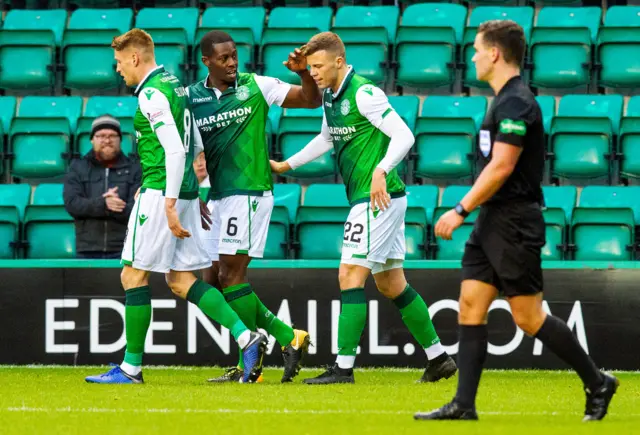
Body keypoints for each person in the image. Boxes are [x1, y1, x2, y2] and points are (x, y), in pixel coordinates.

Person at [414, 20, 618, 421]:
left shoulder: (516, 102)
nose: (471, 56)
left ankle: (597, 381)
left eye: (476, 49)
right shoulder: (501, 100)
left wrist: (459, 210)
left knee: (528, 317)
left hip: (515, 222)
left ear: (494, 53)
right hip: (493, 219)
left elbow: (503, 165)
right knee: (470, 305)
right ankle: (463, 405)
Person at [270, 32, 457, 385]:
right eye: (310, 68)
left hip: (376, 200)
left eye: (319, 67)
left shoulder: (365, 93)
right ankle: (439, 359)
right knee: (391, 284)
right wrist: (287, 166)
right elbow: (327, 138)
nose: (313, 74)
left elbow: (405, 136)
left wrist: (380, 170)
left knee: (349, 276)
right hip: (379, 200)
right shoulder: (330, 95)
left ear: (339, 61)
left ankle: (342, 368)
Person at [85, 29, 267, 385]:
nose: (119, 70)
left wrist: (168, 202)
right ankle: (248, 338)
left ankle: (131, 370)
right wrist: (190, 193)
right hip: (183, 192)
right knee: (181, 280)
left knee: (132, 275)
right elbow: (195, 141)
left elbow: (174, 149)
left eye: (120, 62)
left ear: (135, 58)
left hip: (161, 194)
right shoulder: (176, 85)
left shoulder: (152, 93)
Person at [187, 30, 321, 384]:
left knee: (232, 275)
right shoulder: (192, 98)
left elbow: (310, 101)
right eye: (224, 58)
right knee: (212, 279)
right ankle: (286, 336)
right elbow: (184, 151)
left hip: (249, 192)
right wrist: (196, 194)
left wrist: (303, 72)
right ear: (206, 61)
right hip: (216, 196)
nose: (232, 63)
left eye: (234, 55)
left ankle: (252, 365)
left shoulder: (257, 85)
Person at [64, 115, 141, 259]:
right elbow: (72, 204)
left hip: (126, 249)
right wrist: (103, 204)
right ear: (92, 139)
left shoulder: (135, 169)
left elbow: (140, 209)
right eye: (101, 135)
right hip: (87, 250)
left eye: (112, 135)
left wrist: (116, 207)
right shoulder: (77, 168)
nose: (107, 140)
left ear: (120, 140)